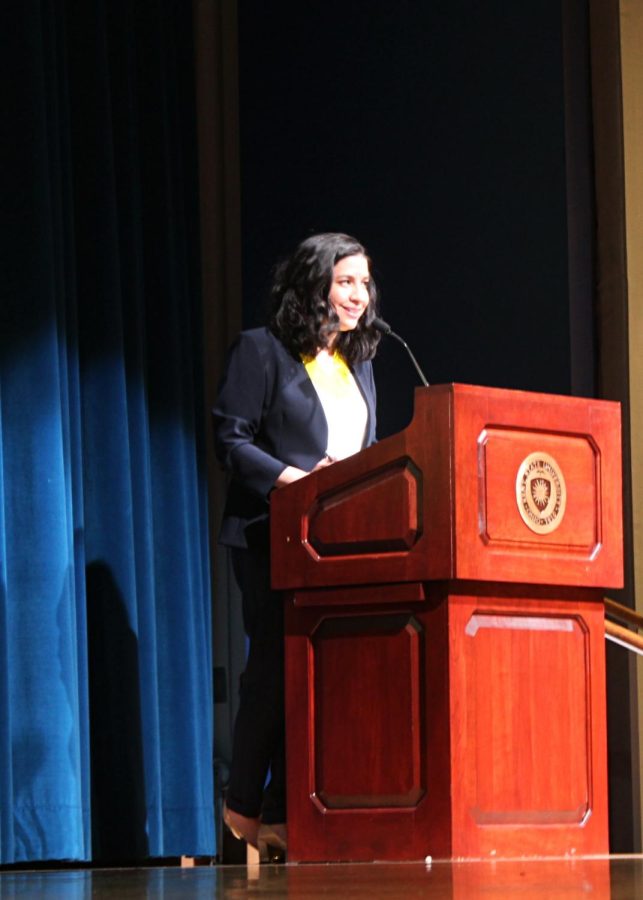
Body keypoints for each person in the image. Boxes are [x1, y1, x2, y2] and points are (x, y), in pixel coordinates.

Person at [212, 232, 381, 851]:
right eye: (345, 281)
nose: (358, 294)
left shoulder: (358, 363)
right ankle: (240, 811)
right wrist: (295, 481)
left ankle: (283, 815)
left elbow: (367, 455)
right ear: (314, 284)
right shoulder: (262, 352)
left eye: (364, 282)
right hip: (268, 534)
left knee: (312, 673)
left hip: (334, 542)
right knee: (275, 667)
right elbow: (230, 441)